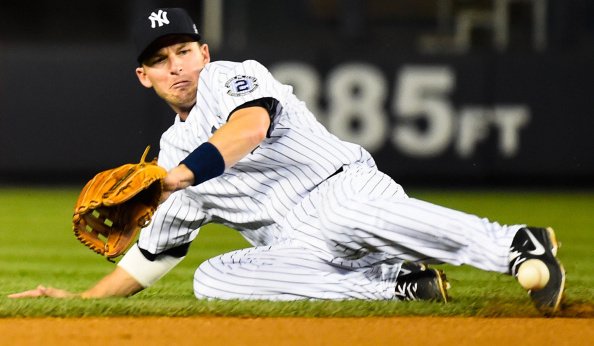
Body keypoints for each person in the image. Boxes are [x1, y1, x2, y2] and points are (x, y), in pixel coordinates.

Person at [9, 8, 565, 312]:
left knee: (347, 215)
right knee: (213, 279)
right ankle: (399, 287)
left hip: (340, 190)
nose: (177, 66)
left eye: (183, 51)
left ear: (204, 52)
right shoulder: (169, 158)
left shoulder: (232, 77)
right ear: (144, 76)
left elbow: (249, 129)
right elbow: (154, 257)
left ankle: (516, 244)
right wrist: (82, 300)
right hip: (299, 248)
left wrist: (173, 180)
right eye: (160, 59)